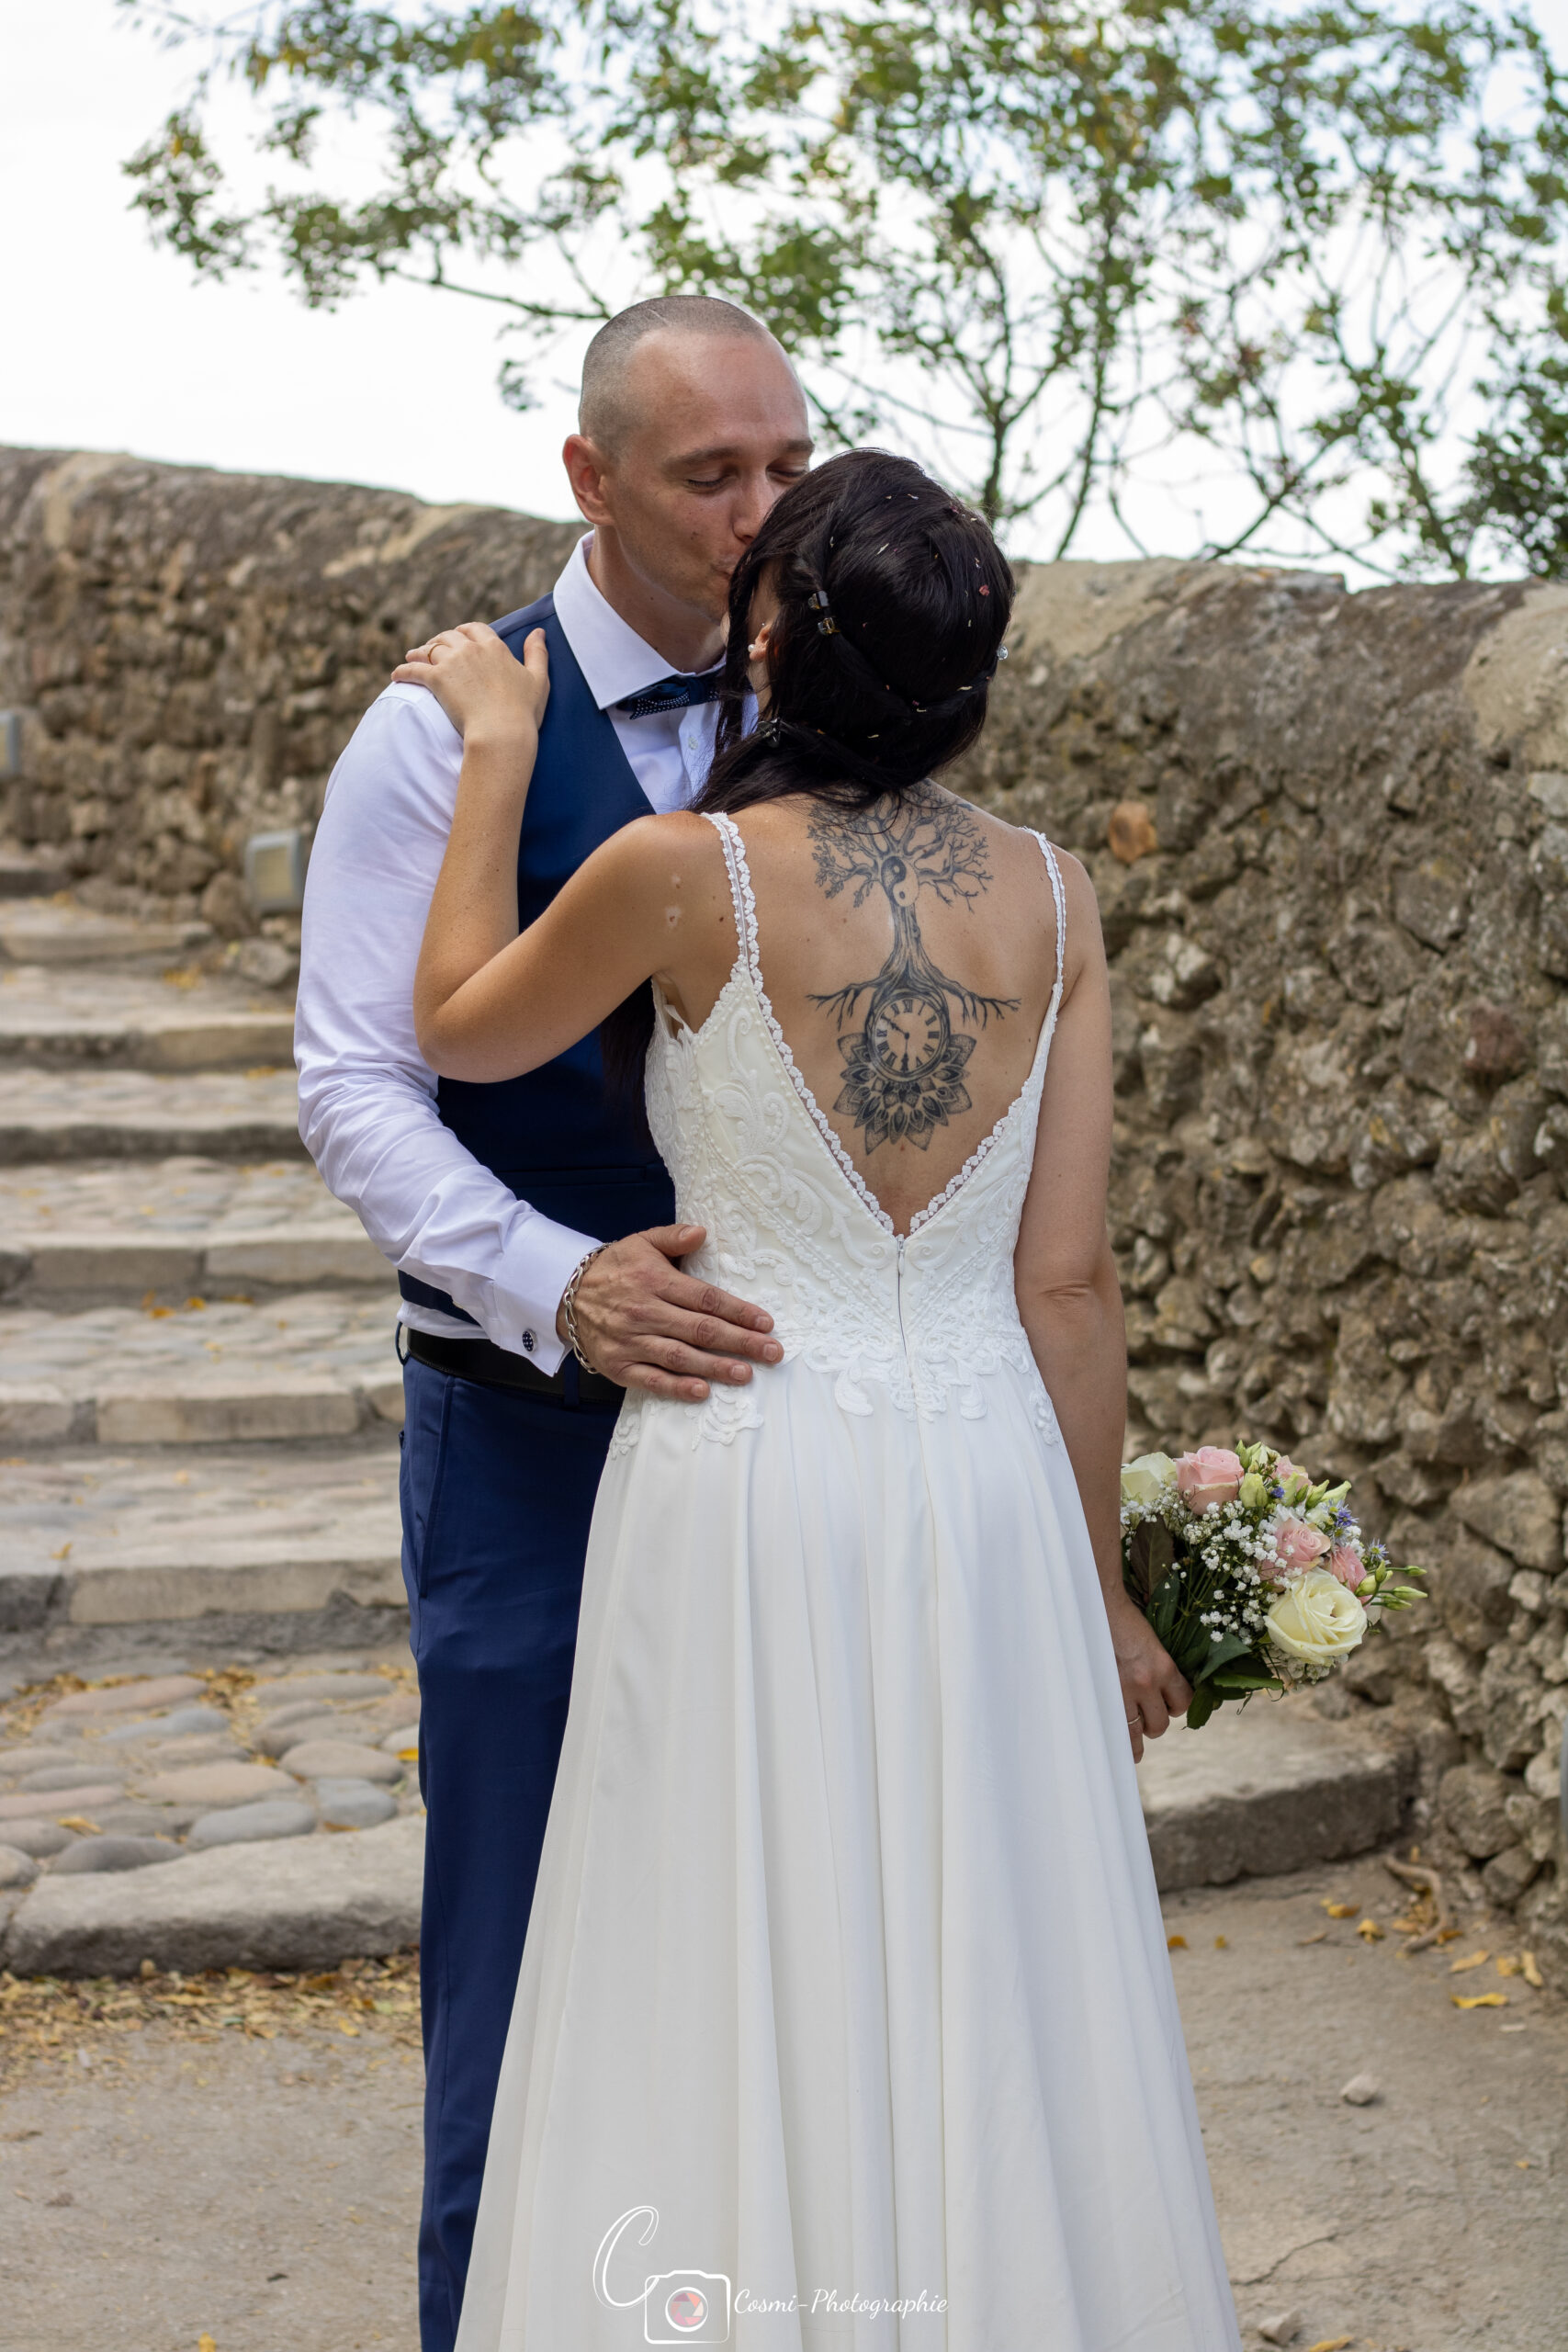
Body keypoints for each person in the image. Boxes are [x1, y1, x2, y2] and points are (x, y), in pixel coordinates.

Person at [400, 449, 1242, 2348]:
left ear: (769, 635)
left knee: (716, 1934)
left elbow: (453, 1023)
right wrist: (1105, 1583)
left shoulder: (674, 873)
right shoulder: (1053, 892)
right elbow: (1064, 1280)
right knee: (986, 1952)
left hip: (745, 1461)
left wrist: (489, 747)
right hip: (986, 1483)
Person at [294, 297, 812, 2352]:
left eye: (787, 461)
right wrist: (554, 1282)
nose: (762, 511)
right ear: (587, 479)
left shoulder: (826, 713)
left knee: (765, 1940)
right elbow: (350, 1081)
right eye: (711, 474)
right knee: (511, 1957)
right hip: (519, 1438)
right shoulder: (441, 728)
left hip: (778, 1423)